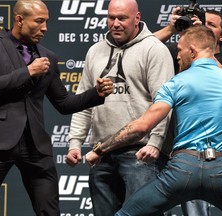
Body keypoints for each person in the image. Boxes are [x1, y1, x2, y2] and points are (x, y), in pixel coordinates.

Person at [85, 25, 222, 215]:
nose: (177, 56)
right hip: (221, 176)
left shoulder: (176, 83)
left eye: (180, 50)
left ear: (192, 51)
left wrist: (100, 149)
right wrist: (208, 47)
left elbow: (141, 126)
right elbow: (220, 69)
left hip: (181, 174)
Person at [0, 0, 113, 215]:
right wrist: (28, 72)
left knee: (50, 211)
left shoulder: (48, 58)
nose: (44, 28)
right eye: (39, 21)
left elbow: (64, 103)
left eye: (46, 22)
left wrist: (96, 94)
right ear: (19, 19)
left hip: (35, 146)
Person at [65, 0, 174, 215]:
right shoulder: (95, 51)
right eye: (111, 17)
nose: (115, 23)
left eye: (122, 18)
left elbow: (164, 102)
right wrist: (75, 143)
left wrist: (155, 143)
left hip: (140, 153)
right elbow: (83, 102)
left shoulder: (154, 50)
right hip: (101, 153)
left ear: (137, 18)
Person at [154, 8, 222, 216]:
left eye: (210, 26)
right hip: (164, 147)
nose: (203, 28)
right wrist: (172, 28)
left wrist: (201, 43)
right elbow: (141, 48)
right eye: (202, 24)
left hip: (198, 155)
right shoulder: (178, 57)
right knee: (153, 209)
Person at [154, 8, 222, 74]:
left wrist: (203, 36)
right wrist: (170, 29)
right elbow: (144, 46)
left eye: (211, 25)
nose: (205, 27)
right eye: (203, 23)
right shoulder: (177, 50)